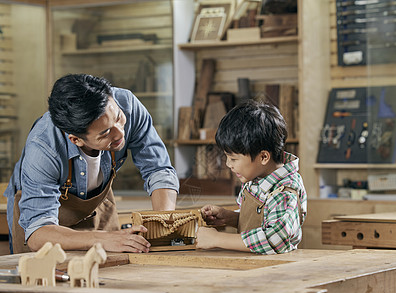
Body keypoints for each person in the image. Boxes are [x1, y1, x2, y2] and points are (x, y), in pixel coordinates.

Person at [4, 74, 179, 254]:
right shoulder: (43, 148)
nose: (120, 134)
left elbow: (158, 169)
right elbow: (38, 232)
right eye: (105, 133)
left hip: (96, 205)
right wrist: (101, 239)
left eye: (118, 117)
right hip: (47, 223)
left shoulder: (127, 104)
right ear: (76, 140)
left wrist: (163, 223)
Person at [196, 100, 307, 254]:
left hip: (276, 270)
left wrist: (217, 239)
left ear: (263, 157)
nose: (228, 164)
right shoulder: (257, 177)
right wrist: (230, 218)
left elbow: (276, 238)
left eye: (234, 159)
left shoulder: (285, 191)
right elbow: (261, 219)